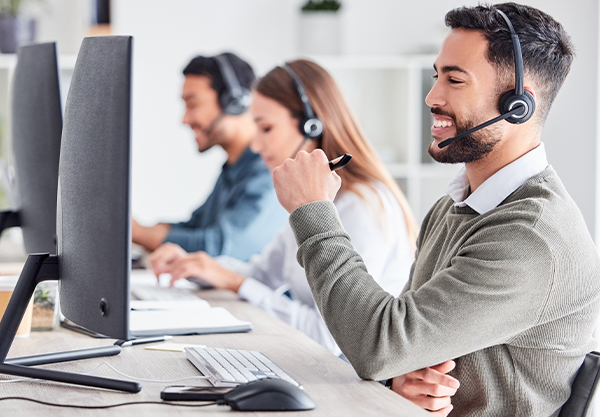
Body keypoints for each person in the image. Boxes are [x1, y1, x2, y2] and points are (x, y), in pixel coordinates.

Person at [270, 3, 600, 417]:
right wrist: (399, 380)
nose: (432, 97)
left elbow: (379, 344)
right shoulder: (454, 207)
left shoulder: (531, 236)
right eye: (435, 76)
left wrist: (313, 210)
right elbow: (399, 348)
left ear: (519, 104)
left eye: (454, 80)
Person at [149, 59, 419, 357]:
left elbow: (330, 337)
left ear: (311, 124)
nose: (255, 145)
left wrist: (235, 282)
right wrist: (196, 266)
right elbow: (261, 274)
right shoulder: (309, 198)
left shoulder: (361, 206)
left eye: (266, 128)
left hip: (349, 377)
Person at [132, 53, 287, 261]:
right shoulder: (234, 169)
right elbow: (196, 226)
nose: (185, 119)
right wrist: (141, 228)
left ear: (233, 101)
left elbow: (220, 247)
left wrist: (138, 233)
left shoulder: (267, 170)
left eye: (193, 104)